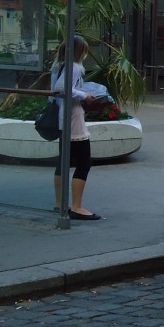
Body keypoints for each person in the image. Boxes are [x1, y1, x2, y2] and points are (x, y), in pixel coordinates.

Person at [51, 35, 101, 221]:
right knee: (83, 162)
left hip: (62, 117)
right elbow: (61, 88)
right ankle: (77, 206)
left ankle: (59, 203)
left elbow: (54, 92)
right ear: (80, 51)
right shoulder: (75, 67)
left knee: (63, 162)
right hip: (73, 119)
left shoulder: (58, 66)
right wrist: (84, 95)